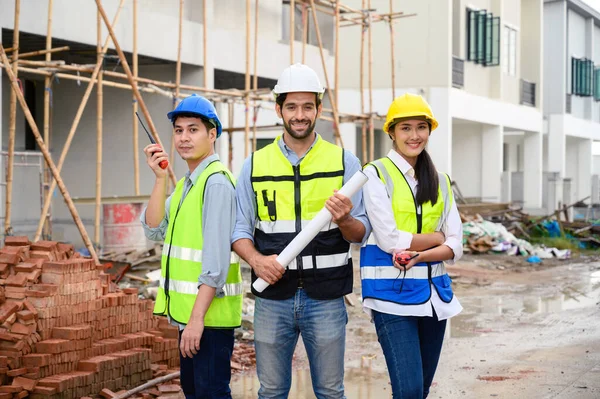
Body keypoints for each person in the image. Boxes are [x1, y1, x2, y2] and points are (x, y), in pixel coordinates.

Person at [232, 63, 370, 399]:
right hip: (272, 297)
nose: (300, 114)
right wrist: (256, 260)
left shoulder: (344, 163)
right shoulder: (254, 164)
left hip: (326, 298)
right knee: (272, 391)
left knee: (330, 392)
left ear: (319, 110)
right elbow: (238, 229)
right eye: (291, 106)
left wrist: (344, 219)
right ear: (279, 109)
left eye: (308, 106)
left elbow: (361, 232)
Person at [359, 93, 463, 398]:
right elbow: (390, 238)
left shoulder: (441, 180)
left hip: (435, 299)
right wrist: (436, 238)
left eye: (421, 127)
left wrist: (422, 254)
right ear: (391, 132)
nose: (414, 135)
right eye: (405, 128)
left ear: (430, 130)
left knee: (420, 392)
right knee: (409, 391)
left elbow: (457, 243)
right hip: (391, 299)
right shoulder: (375, 173)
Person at [140, 94, 242, 399]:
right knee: (194, 391)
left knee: (210, 392)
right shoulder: (188, 184)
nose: (184, 137)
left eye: (193, 129)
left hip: (208, 319)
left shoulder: (216, 183)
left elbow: (215, 262)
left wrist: (196, 321)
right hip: (191, 317)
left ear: (212, 135)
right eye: (179, 130)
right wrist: (160, 179)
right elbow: (154, 230)